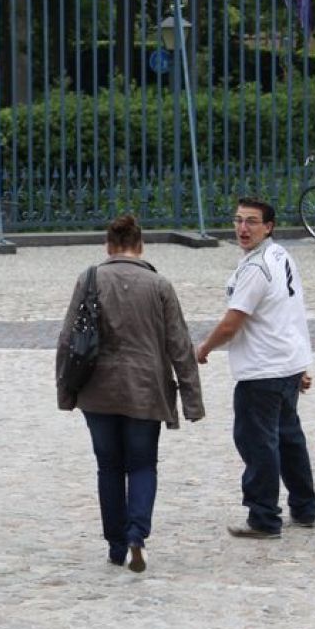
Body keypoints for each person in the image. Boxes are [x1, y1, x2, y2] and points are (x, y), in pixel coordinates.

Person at [56, 213, 204, 573]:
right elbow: (179, 345)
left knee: (108, 467)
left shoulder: (90, 279)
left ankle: (115, 545)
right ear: (141, 245)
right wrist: (192, 400)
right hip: (146, 389)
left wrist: (65, 393)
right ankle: (137, 534)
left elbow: (68, 338)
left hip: (97, 390)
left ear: (108, 246)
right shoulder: (159, 285)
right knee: (142, 464)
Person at [195, 197, 315, 539]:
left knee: (257, 443)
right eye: (238, 220)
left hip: (262, 369)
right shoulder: (281, 256)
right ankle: (305, 507)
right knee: (289, 440)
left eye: (251, 221)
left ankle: (264, 517)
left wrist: (204, 349)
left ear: (268, 227)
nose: (242, 228)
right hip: (286, 363)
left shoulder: (256, 268)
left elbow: (231, 323)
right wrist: (300, 362)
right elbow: (292, 312)